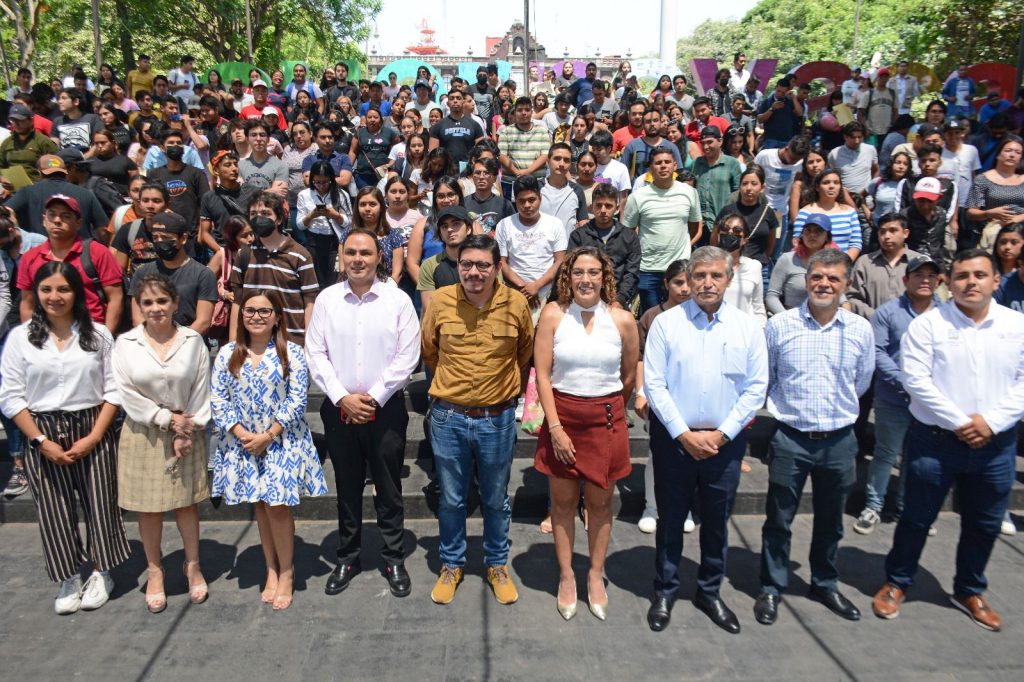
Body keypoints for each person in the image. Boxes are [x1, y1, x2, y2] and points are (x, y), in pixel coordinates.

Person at [872, 250, 1024, 632]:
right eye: (962, 276)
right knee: (916, 519)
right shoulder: (929, 325)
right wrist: (961, 422)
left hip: (996, 444)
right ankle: (897, 581)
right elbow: (917, 381)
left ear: (995, 281)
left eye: (979, 275)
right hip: (936, 441)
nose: (970, 282)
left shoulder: (1016, 325)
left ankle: (969, 589)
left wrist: (990, 422)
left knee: (985, 523)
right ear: (948, 282)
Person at [643, 246, 769, 633]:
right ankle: (665, 589)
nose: (707, 283)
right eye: (699, 276)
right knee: (670, 519)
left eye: (716, 275)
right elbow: (655, 384)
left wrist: (721, 434)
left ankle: (709, 592)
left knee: (716, 522)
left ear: (729, 280)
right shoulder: (667, 324)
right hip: (673, 441)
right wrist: (683, 433)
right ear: (689, 279)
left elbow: (756, 388)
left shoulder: (747, 328)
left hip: (724, 444)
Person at [0, 262, 129, 615]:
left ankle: (103, 571)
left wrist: (94, 437)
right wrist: (41, 441)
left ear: (77, 293)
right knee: (54, 509)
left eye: (63, 289)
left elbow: (113, 391)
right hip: (40, 428)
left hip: (92, 424)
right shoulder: (20, 338)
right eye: (47, 290)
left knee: (101, 502)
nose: (55, 297)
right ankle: (69, 575)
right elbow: (11, 396)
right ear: (36, 294)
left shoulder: (99, 334)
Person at [755, 249, 875, 627]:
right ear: (806, 281)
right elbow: (767, 378)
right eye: (817, 277)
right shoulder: (780, 326)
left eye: (833, 278)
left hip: (840, 440)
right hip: (791, 437)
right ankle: (772, 586)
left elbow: (861, 383)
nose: (824, 284)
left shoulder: (860, 330)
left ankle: (824, 582)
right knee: (779, 518)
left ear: (847, 285)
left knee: (831, 520)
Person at [305, 229, 419, 599]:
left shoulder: (397, 300)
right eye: (351, 252)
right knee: (347, 486)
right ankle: (348, 556)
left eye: (365, 253)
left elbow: (408, 356)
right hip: (339, 410)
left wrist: (371, 398)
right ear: (342, 256)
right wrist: (342, 398)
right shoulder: (326, 300)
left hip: (384, 410)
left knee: (389, 486)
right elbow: (315, 353)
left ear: (378, 258)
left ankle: (392, 556)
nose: (357, 259)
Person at [421, 234, 534, 605]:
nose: (474, 272)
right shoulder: (440, 302)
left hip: (496, 420)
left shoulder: (516, 303)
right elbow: (430, 352)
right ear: (457, 266)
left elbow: (523, 354)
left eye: (483, 264)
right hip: (448, 417)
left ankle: (496, 564)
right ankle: (451, 564)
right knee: (452, 498)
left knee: (496, 499)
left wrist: (499, 392)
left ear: (497, 266)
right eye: (466, 264)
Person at [533, 247, 639, 621]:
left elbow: (628, 377)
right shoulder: (552, 315)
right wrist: (556, 427)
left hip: (606, 421)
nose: (586, 279)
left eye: (593, 272)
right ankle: (566, 576)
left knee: (600, 505)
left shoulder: (624, 320)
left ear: (605, 276)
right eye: (578, 272)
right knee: (561, 505)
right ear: (568, 277)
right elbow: (542, 375)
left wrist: (608, 409)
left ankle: (594, 574)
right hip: (562, 419)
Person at [212, 288, 326, 611]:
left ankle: (287, 572)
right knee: (261, 506)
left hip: (281, 440)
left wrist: (269, 434)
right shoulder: (227, 354)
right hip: (244, 441)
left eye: (264, 311)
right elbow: (218, 400)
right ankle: (270, 569)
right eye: (250, 311)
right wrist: (243, 433)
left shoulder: (292, 353)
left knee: (278, 506)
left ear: (277, 317)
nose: (257, 317)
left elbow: (297, 400)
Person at [112, 273, 212, 613]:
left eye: (161, 301)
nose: (155, 309)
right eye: (147, 303)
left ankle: (192, 565)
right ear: (138, 307)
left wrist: (187, 428)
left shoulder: (192, 341)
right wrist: (165, 420)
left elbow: (201, 386)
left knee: (186, 503)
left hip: (188, 426)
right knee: (149, 507)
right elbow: (126, 393)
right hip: (145, 430)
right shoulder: (126, 344)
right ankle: (155, 570)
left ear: (174, 303)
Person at [853, 255, 939, 535]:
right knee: (886, 453)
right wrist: (907, 382)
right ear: (906, 280)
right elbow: (877, 352)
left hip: (930, 403)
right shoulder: (888, 312)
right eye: (918, 275)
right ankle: (873, 506)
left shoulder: (947, 315)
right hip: (894, 398)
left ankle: (905, 506)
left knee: (916, 457)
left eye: (930, 275)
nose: (925, 280)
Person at [634, 262, 691, 534]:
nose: (685, 288)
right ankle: (652, 506)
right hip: (659, 396)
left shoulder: (700, 315)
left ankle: (684, 507)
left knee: (687, 457)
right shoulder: (651, 317)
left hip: (690, 398)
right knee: (658, 454)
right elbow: (641, 358)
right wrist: (641, 392)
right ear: (666, 283)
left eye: (689, 282)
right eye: (678, 282)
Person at [17, 195, 122, 331]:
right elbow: (27, 303)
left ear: (78, 223)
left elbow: (115, 297)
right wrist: (30, 338)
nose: (57, 220)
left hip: (90, 333)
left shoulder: (98, 252)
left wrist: (105, 339)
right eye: (52, 215)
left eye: (65, 216)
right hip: (46, 336)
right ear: (44, 220)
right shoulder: (30, 257)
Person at [230, 192, 319, 345]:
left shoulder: (300, 256)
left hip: (291, 343)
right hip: (252, 344)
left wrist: (309, 345)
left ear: (278, 219)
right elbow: (238, 301)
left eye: (265, 213)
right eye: (253, 214)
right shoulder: (243, 255)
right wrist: (233, 342)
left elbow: (309, 302)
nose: (259, 218)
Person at [625, 147, 702, 312]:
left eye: (667, 162)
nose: (663, 166)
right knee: (652, 318)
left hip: (680, 267)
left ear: (675, 165)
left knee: (683, 315)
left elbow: (694, 226)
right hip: (648, 268)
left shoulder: (689, 192)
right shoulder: (637, 197)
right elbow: (628, 232)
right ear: (651, 168)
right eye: (658, 163)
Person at [127, 212, 217, 333]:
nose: (159, 242)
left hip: (190, 344)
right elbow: (138, 318)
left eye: (165, 238)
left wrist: (177, 342)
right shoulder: (142, 273)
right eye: (155, 238)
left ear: (183, 238)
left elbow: (203, 322)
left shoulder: (203, 274)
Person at [494, 175, 568, 320]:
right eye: (522, 201)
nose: (527, 205)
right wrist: (525, 288)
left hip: (547, 293)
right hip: (514, 293)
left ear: (540, 198)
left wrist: (537, 286)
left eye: (531, 200)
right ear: (515, 201)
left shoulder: (555, 224)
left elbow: (560, 261)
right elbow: (501, 262)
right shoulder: (504, 225)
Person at [567, 183, 641, 308]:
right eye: (598, 205)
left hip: (617, 300)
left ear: (617, 208)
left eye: (608, 206)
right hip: (583, 298)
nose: (603, 210)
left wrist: (620, 300)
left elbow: (631, 272)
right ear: (591, 207)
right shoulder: (578, 236)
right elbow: (570, 268)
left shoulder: (629, 236)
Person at [5, 153, 108, 238]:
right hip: (80, 255)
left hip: (43, 255)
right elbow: (103, 229)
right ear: (65, 172)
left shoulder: (28, 192)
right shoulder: (85, 193)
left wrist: (18, 235)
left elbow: (6, 211)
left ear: (39, 173)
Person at [846, 213, 923, 318]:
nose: (886, 236)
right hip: (873, 327)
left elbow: (928, 296)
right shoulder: (865, 262)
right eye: (882, 232)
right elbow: (852, 296)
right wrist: (876, 316)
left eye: (893, 231)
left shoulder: (919, 261)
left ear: (905, 233)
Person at [719, 164, 781, 292]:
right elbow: (715, 239)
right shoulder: (728, 210)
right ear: (739, 186)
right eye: (745, 183)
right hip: (731, 267)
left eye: (754, 184)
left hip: (759, 269)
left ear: (762, 187)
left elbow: (771, 242)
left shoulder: (768, 212)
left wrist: (762, 259)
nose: (749, 188)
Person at [766, 213, 835, 314]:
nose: (812, 235)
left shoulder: (834, 262)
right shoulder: (787, 259)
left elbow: (841, 295)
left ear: (827, 237)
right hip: (791, 319)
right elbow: (772, 296)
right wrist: (786, 318)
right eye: (808, 230)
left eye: (818, 231)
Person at [966, 136, 1024, 250]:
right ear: (998, 154)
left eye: (1017, 152)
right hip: (993, 232)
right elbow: (970, 212)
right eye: (1008, 151)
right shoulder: (982, 179)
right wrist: (989, 213)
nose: (1012, 155)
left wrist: (1018, 218)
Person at [792, 169, 862, 260]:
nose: (831, 186)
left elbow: (856, 243)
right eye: (826, 183)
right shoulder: (805, 212)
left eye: (836, 183)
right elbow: (798, 242)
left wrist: (843, 264)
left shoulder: (850, 212)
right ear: (817, 187)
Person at [710, 213, 766, 325]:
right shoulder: (708, 265)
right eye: (725, 229)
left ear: (745, 239)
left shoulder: (754, 266)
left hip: (744, 330)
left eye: (737, 230)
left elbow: (758, 306)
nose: (730, 233)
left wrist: (761, 329)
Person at [693, 126, 742, 235]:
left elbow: (737, 194)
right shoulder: (697, 163)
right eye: (703, 143)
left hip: (722, 226)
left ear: (720, 141)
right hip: (699, 226)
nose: (706, 147)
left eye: (709, 142)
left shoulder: (732, 164)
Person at [497, 96, 550, 197]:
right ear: (515, 112)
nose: (523, 113)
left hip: (537, 182)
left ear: (531, 111)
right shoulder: (506, 132)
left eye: (527, 110)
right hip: (510, 182)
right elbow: (502, 156)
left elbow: (544, 156)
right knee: (511, 211)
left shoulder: (542, 131)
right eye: (520, 110)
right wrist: (517, 172)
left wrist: (526, 172)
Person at [0, 103, 59, 181]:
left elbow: (57, 166)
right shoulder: (7, 143)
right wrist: (3, 179)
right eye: (13, 120)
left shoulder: (43, 142)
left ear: (31, 120)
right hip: (13, 189)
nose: (16, 124)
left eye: (20, 120)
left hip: (37, 188)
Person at [621, 108, 683, 181]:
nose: (652, 124)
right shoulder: (632, 146)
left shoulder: (671, 147)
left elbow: (678, 172)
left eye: (655, 120)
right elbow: (623, 173)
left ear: (660, 123)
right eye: (648, 122)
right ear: (643, 125)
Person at [429, 89, 485, 167]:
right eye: (452, 98)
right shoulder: (439, 126)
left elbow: (481, 152)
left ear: (463, 101)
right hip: (445, 171)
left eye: (458, 98)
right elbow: (433, 153)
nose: (455, 101)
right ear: (448, 103)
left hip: (468, 171)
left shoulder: (474, 125)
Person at [828, 122, 879, 195]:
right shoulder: (834, 154)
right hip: (843, 199)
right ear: (845, 137)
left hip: (866, 198)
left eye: (859, 137)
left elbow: (875, 170)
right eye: (853, 137)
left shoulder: (870, 150)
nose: (857, 141)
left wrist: (870, 188)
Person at [858, 68, 898, 148]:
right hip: (872, 132)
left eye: (885, 77)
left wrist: (893, 125)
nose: (883, 79)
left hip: (886, 131)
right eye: (881, 76)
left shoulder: (892, 94)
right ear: (878, 78)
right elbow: (860, 113)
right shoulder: (869, 93)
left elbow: (895, 112)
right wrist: (865, 129)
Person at [757, 79, 800, 150]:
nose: (780, 94)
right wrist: (772, 109)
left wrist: (794, 98)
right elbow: (760, 120)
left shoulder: (790, 102)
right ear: (775, 88)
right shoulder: (767, 102)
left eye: (783, 92)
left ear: (787, 91)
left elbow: (800, 113)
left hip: (787, 141)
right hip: (771, 140)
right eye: (778, 91)